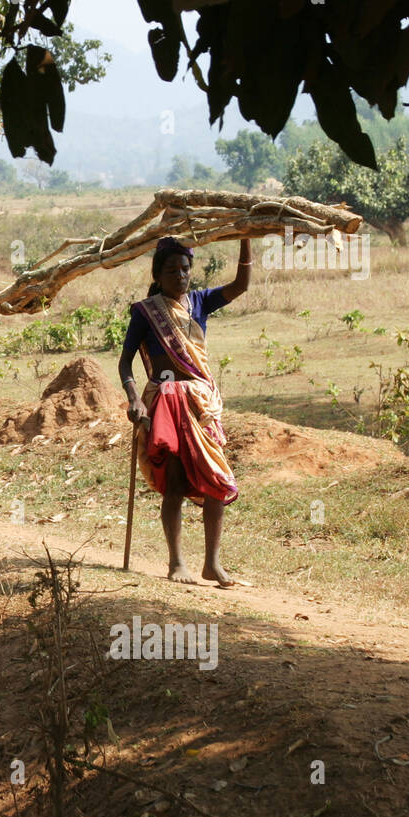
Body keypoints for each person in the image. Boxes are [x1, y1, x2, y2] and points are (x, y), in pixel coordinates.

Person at [118, 236, 252, 587]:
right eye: (171, 270)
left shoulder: (201, 302)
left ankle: (212, 563)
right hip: (164, 402)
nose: (180, 276)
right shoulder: (145, 312)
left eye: (185, 269)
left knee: (216, 480)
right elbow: (125, 363)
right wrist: (134, 399)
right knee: (174, 485)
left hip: (198, 403)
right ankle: (176, 563)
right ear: (158, 275)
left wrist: (245, 237)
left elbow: (241, 285)